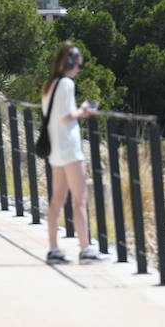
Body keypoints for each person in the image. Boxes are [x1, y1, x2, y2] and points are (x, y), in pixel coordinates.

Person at [41, 43, 106, 264]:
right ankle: (86, 248)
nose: (80, 69)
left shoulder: (48, 86)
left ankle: (53, 249)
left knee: (57, 200)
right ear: (71, 63)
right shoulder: (67, 84)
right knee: (80, 200)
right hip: (70, 148)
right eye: (79, 65)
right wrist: (85, 111)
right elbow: (67, 116)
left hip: (56, 150)